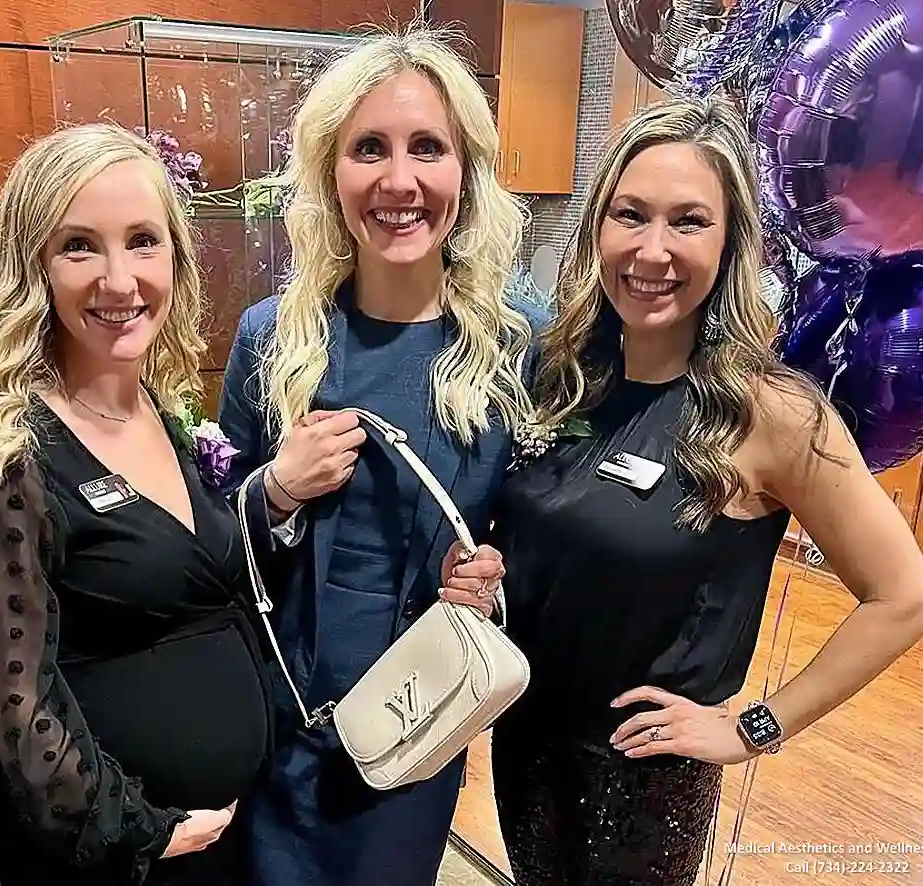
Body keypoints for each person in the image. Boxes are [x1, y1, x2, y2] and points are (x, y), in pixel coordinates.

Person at [478, 95, 923, 886]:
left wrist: (754, 728)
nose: (652, 249)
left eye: (688, 221)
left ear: (729, 246)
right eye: (631, 214)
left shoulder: (773, 412)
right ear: (598, 227)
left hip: (643, 782)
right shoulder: (561, 377)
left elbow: (905, 600)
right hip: (523, 741)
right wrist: (488, 571)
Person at [217, 20, 541, 886]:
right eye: (370, 149)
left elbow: (546, 535)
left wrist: (494, 582)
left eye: (427, 148)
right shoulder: (270, 339)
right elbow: (212, 541)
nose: (399, 181)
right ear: (330, 172)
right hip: (275, 718)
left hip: (414, 721)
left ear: (466, 172)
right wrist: (277, 491)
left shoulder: (517, 348)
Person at [0, 122, 275, 886]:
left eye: (143, 240)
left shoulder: (161, 409)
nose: (119, 280)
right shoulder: (10, 454)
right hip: (115, 862)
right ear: (34, 268)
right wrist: (134, 831)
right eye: (80, 246)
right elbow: (6, 704)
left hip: (217, 840)